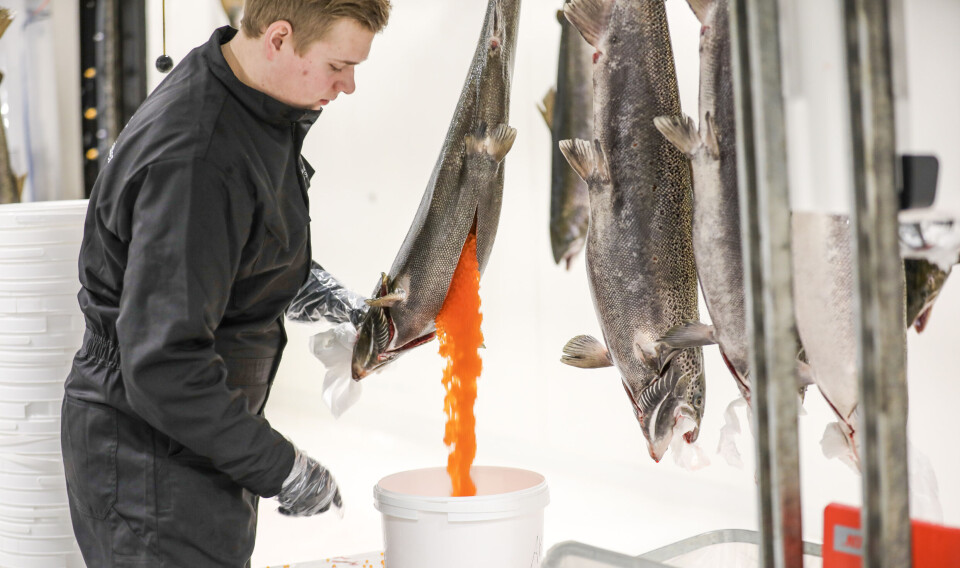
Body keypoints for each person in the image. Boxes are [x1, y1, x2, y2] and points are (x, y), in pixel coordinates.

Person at [60, 1, 390, 566]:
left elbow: (224, 244)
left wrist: (304, 285)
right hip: (151, 454)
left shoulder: (244, 98)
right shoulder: (198, 155)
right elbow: (164, 363)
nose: (349, 85)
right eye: (338, 65)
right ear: (280, 38)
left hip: (195, 435)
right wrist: (280, 466)